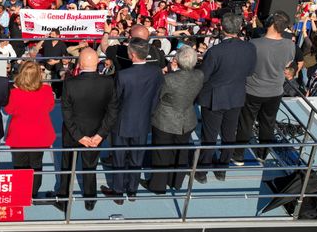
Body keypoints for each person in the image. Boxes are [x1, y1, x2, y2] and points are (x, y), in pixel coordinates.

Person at [196, 12, 257, 182]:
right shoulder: (250, 48)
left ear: (222, 28)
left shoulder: (215, 51)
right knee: (229, 134)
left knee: (209, 136)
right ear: (239, 28)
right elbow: (250, 71)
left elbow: (204, 75)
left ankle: (202, 172)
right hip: (236, 96)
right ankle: (222, 169)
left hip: (214, 98)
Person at [56, 47, 118, 212]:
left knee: (67, 165)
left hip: (72, 135)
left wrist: (78, 136)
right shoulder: (108, 82)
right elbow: (112, 112)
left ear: (80, 63)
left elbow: (66, 113)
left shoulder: (70, 83)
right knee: (90, 166)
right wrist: (100, 135)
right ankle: (90, 200)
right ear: (97, 62)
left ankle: (63, 199)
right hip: (95, 133)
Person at [102, 38, 163, 203]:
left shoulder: (123, 75)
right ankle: (132, 191)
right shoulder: (156, 72)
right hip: (143, 121)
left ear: (132, 55)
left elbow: (115, 102)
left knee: (119, 158)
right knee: (137, 158)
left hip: (122, 123)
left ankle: (118, 191)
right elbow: (157, 98)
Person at [235, 11, 296, 163]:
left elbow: (245, 65)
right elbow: (287, 64)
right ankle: (262, 154)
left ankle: (238, 156)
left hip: (252, 90)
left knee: (246, 123)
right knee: (268, 124)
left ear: (271, 24)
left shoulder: (254, 44)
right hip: (275, 91)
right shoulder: (290, 45)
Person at [146, 46, 204, 194]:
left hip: (165, 121)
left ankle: (158, 186)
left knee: (161, 153)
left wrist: (169, 73)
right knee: (180, 152)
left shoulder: (168, 79)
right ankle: (175, 182)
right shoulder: (199, 75)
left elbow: (157, 96)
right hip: (187, 119)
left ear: (176, 61)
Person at [4, 60, 56, 200]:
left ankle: (21, 193)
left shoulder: (15, 93)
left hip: (19, 137)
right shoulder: (46, 90)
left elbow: (8, 110)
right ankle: (33, 193)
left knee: (20, 166)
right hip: (40, 136)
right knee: (37, 165)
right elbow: (50, 107)